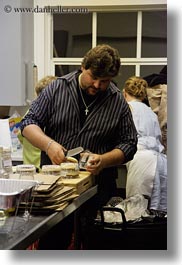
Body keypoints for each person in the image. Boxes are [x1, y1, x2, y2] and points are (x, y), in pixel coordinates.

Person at [20, 44, 138, 249]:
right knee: (52, 246)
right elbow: (28, 123)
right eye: (94, 77)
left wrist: (104, 160)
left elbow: (129, 143)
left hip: (98, 189)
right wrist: (48, 145)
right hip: (56, 190)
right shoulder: (57, 89)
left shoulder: (116, 99)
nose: (98, 85)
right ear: (83, 66)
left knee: (97, 247)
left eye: (105, 81)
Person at [122, 76, 167, 213]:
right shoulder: (151, 112)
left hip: (141, 161)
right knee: (159, 212)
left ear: (124, 93)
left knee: (136, 211)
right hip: (161, 162)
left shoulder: (127, 108)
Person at [18, 76, 58, 171]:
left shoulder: (28, 114)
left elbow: (20, 137)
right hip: (42, 168)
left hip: (27, 168)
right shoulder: (47, 117)